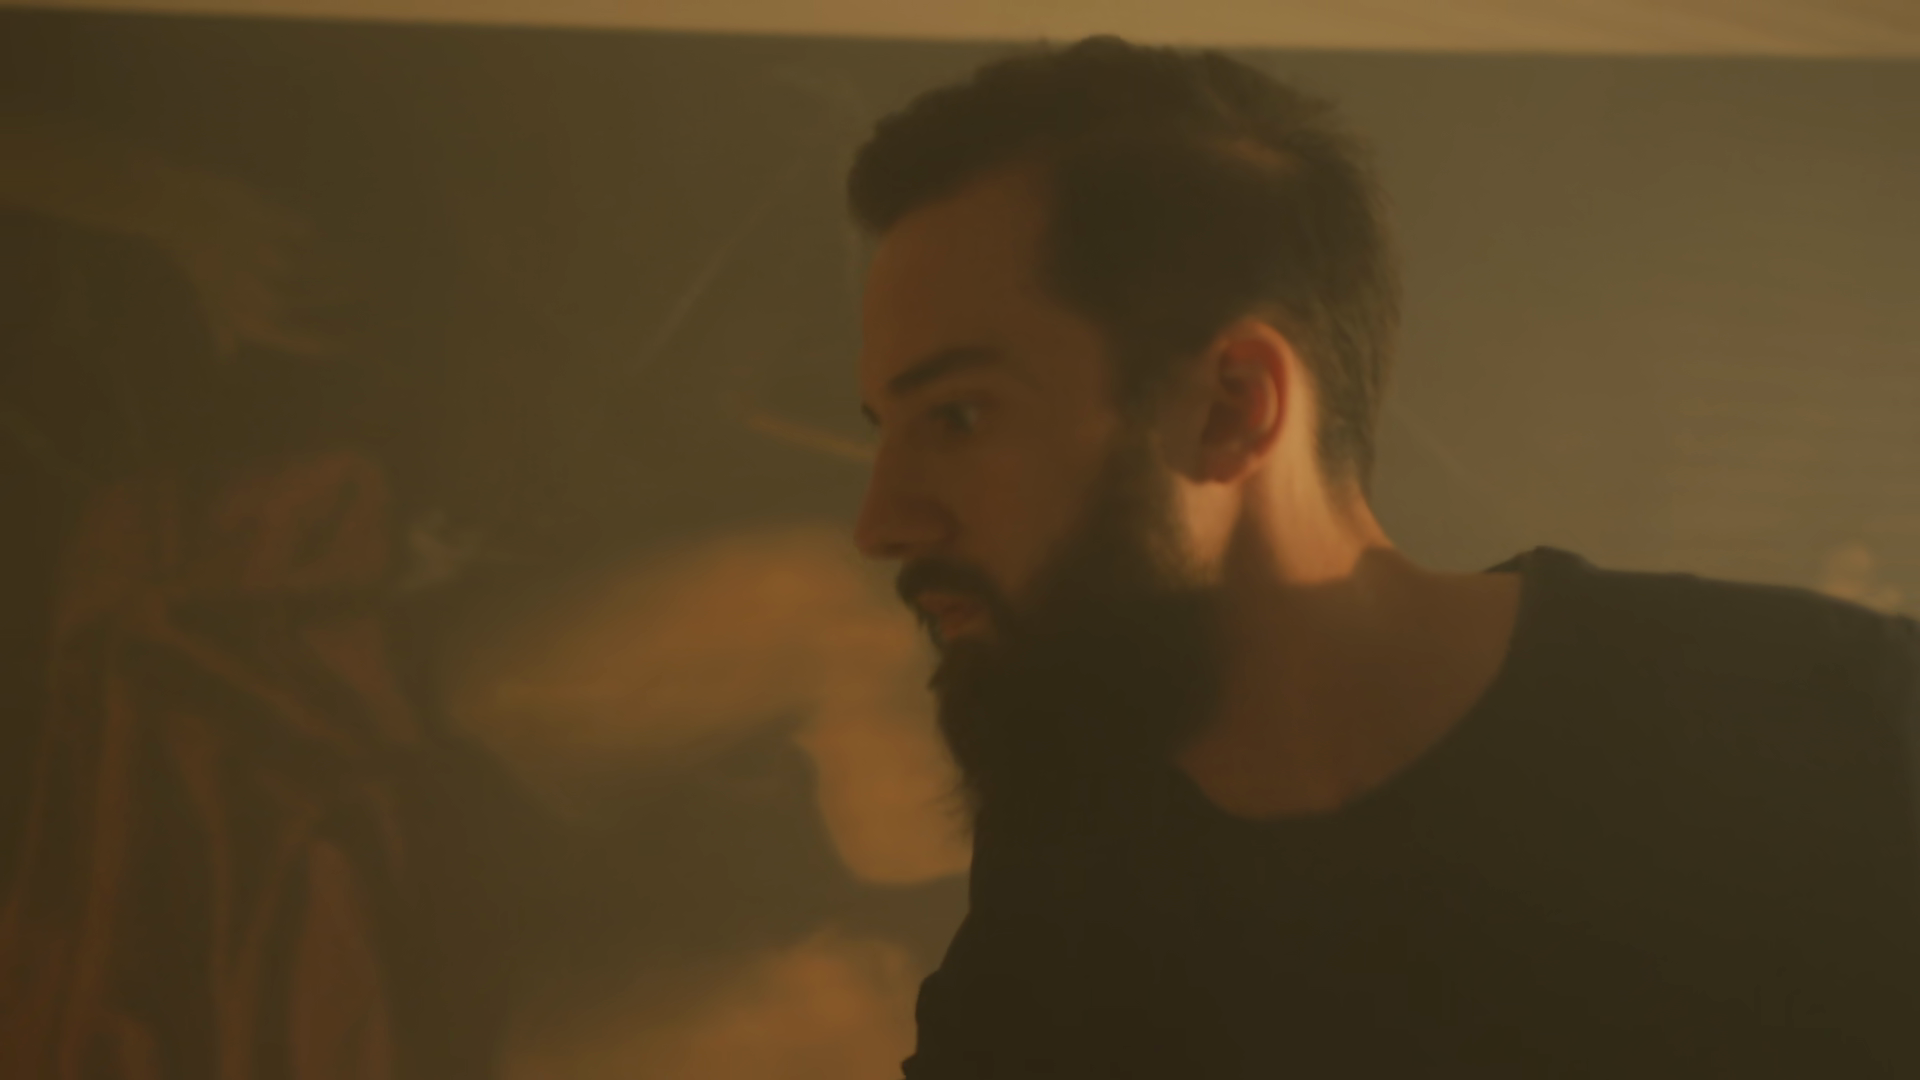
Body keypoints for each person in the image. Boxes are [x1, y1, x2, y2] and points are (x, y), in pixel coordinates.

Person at [846, 37, 1920, 1078]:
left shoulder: (1847, 731)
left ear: (1232, 408)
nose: (881, 522)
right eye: (884, 429)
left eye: (959, 416)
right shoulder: (1067, 865)